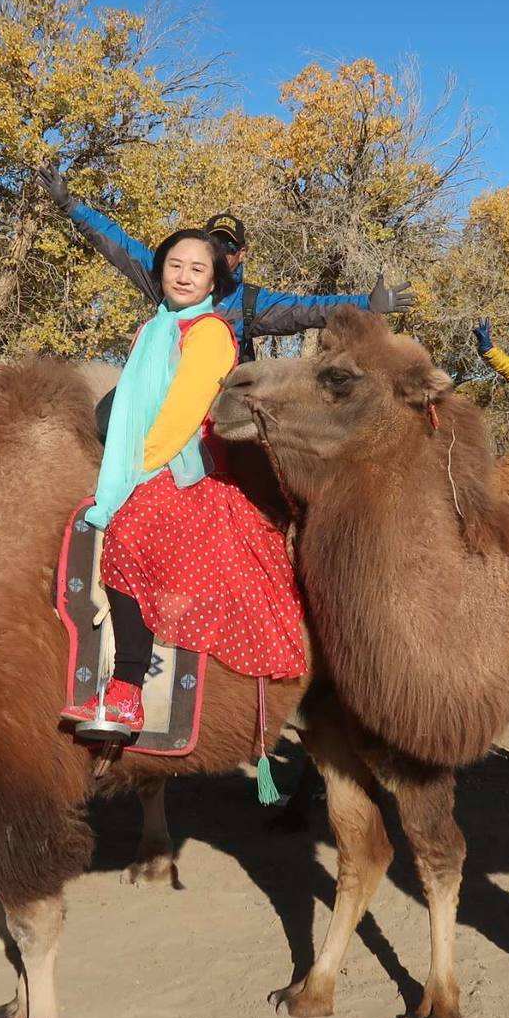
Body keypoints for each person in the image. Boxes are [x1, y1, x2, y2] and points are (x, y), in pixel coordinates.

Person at [59, 229, 306, 738]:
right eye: (176, 265)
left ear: (215, 280)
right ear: (161, 271)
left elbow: (181, 414)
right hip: (143, 456)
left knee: (127, 536)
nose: (184, 275)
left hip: (184, 462)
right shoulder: (154, 329)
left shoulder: (210, 332)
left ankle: (127, 693)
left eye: (198, 268)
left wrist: (135, 475)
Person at [47, 170, 416, 361]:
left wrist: (367, 305)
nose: (221, 251)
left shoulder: (251, 303)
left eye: (230, 246)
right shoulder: (170, 278)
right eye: (214, 244)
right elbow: (119, 245)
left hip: (221, 410)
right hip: (162, 395)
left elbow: (309, 310)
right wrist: (71, 207)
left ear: (241, 254)